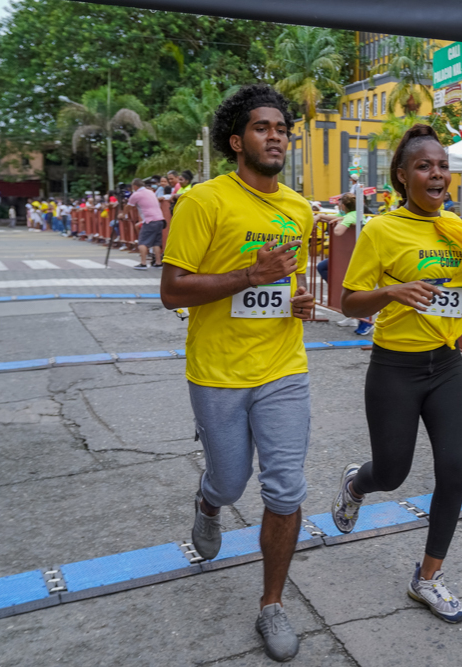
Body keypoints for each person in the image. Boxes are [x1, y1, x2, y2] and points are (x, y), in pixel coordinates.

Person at [331, 123, 462, 625]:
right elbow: (348, 302)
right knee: (391, 472)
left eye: (442, 166)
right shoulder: (381, 231)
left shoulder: (459, 231)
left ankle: (428, 578)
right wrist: (392, 292)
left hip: (446, 364)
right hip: (395, 366)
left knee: (455, 469)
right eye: (424, 166)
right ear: (402, 175)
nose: (437, 174)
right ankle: (357, 484)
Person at [159, 84, 315, 663]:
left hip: (283, 367)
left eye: (281, 128)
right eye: (261, 127)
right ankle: (208, 503)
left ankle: (271, 604)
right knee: (229, 482)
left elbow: (289, 284)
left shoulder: (299, 208)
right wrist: (249, 277)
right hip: (218, 371)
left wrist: (298, 302)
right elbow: (171, 290)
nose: (275, 136)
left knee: (285, 488)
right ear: (236, 140)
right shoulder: (205, 202)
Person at [126, 177, 167, 269]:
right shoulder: (150, 192)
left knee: (143, 242)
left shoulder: (136, 194)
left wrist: (122, 214)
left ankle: (143, 263)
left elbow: (129, 206)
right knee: (156, 242)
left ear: (135, 186)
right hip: (160, 219)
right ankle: (158, 262)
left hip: (150, 220)